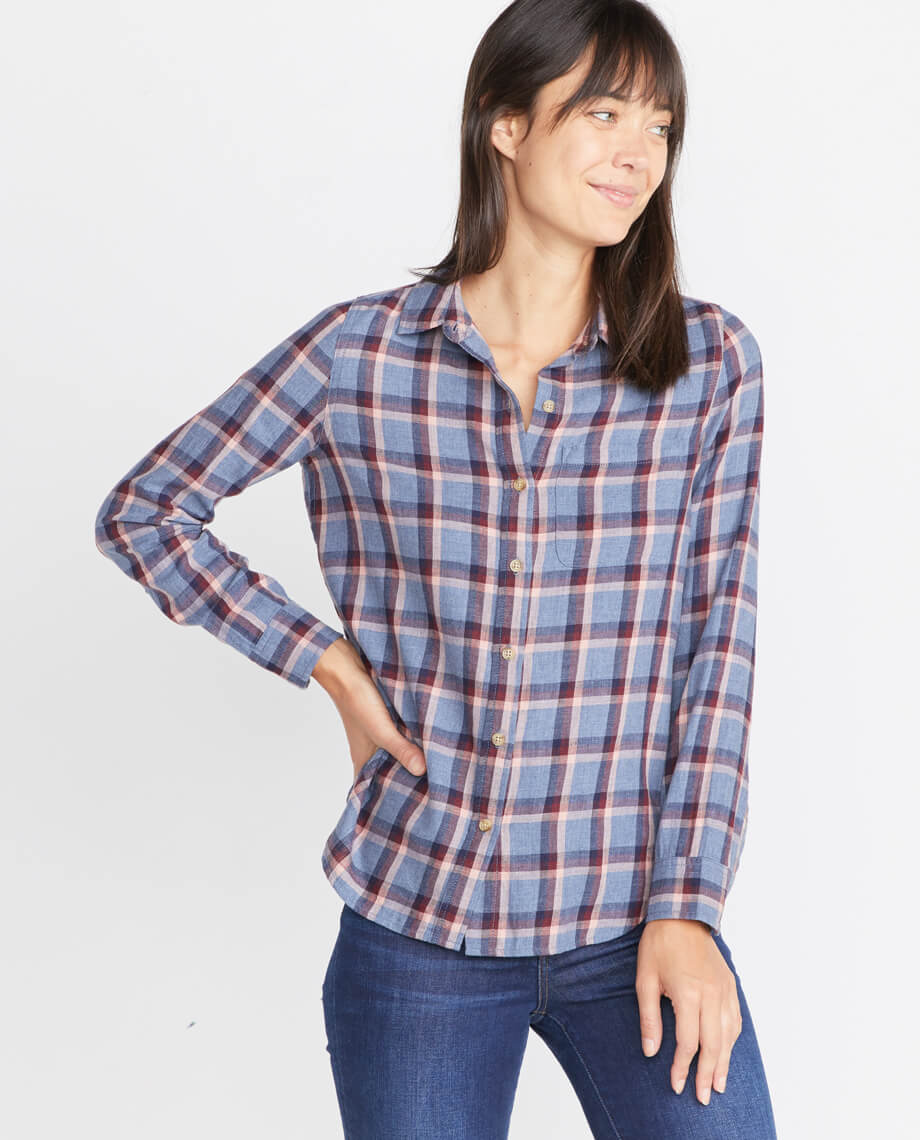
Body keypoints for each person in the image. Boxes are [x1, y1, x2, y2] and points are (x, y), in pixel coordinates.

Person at [94, 0, 778, 1135]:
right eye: (602, 114)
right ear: (506, 124)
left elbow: (719, 647)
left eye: (659, 126)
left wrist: (690, 906)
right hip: (419, 925)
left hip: (635, 923)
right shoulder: (359, 355)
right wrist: (327, 664)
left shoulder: (707, 363)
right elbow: (147, 510)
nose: (637, 155)